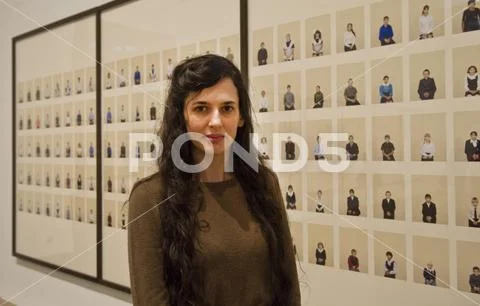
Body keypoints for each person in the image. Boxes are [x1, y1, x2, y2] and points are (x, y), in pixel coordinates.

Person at [127, 54, 301, 306]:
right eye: (201, 108)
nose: (216, 121)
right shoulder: (149, 198)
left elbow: (289, 289)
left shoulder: (265, 184)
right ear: (182, 117)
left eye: (227, 108)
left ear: (241, 117)